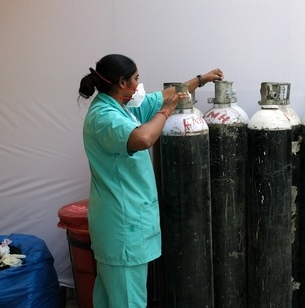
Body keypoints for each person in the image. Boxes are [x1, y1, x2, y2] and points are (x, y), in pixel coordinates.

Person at [78, 53, 223, 308]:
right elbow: (144, 138)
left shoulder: (122, 106)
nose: (139, 83)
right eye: (136, 78)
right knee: (127, 300)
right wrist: (166, 113)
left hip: (126, 224)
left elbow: (165, 95)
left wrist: (201, 79)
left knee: (110, 298)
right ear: (122, 82)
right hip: (122, 227)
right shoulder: (104, 117)